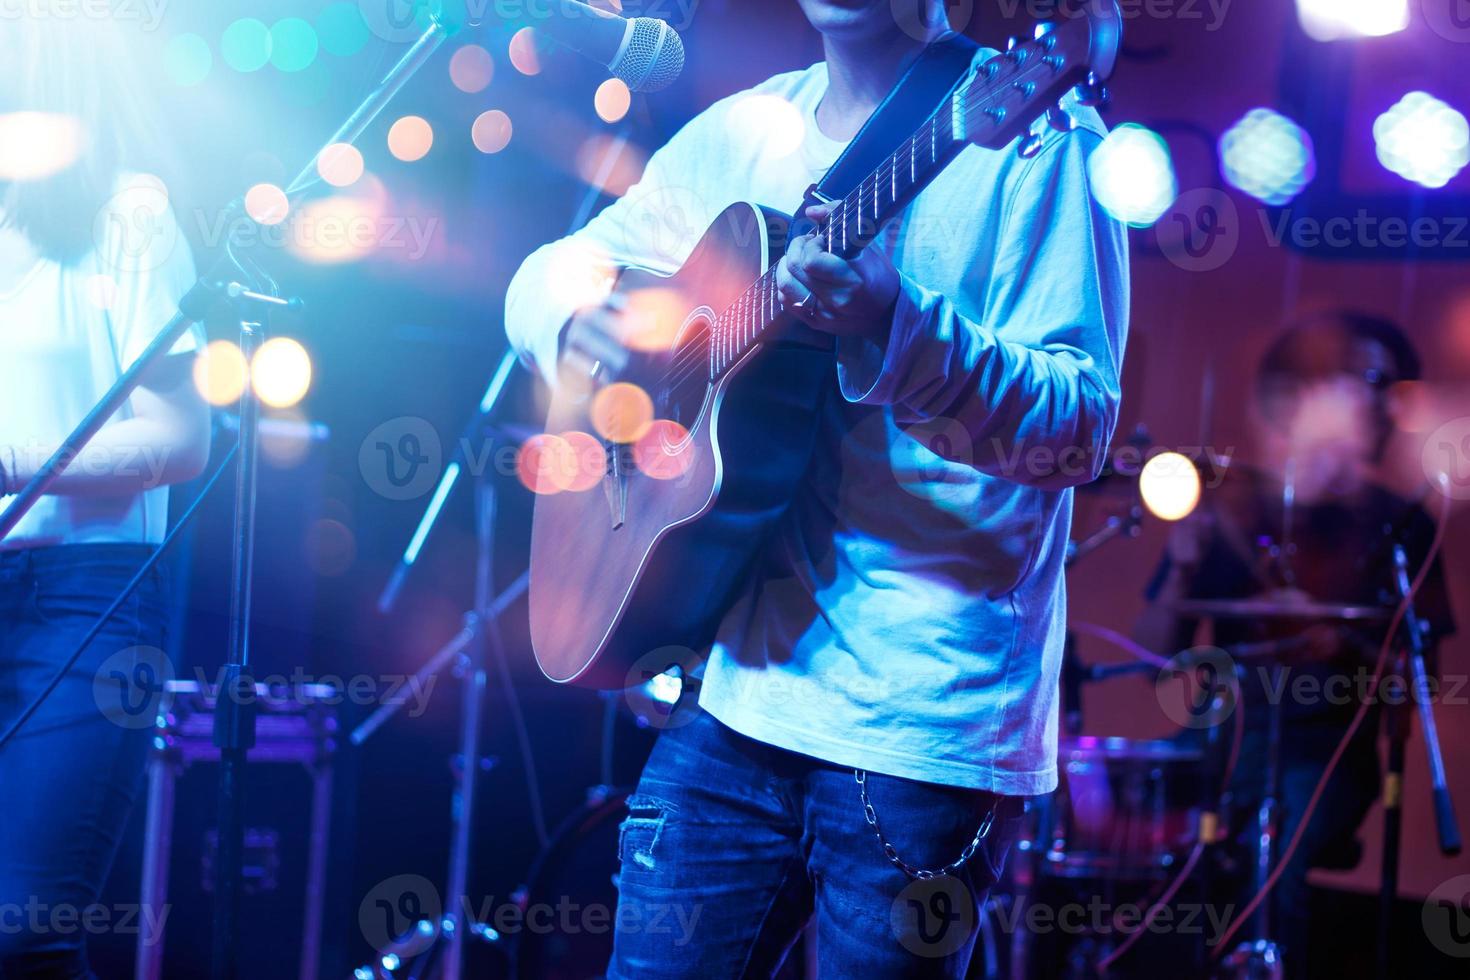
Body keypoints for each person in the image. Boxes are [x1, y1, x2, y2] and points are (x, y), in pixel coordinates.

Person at [506, 0, 1129, 974]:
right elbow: (552, 268)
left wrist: (895, 323)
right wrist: (576, 317)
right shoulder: (744, 129)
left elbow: (1080, 428)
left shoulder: (1034, 137)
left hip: (916, 721)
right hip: (735, 691)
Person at [1134, 311, 1455, 978]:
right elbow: (1153, 655)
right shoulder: (1230, 505)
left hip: (1328, 746)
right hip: (1219, 737)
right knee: (1135, 830)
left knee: (1274, 850)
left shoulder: (1403, 524)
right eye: (1361, 378)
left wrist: (1339, 642)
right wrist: (1186, 566)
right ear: (1302, 391)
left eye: (1386, 385)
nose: (1374, 398)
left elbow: (1421, 682)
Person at [0, 20, 209, 978]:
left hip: (84, 597)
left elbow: (180, 439)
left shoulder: (130, 214)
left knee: (25, 927)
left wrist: (15, 459)